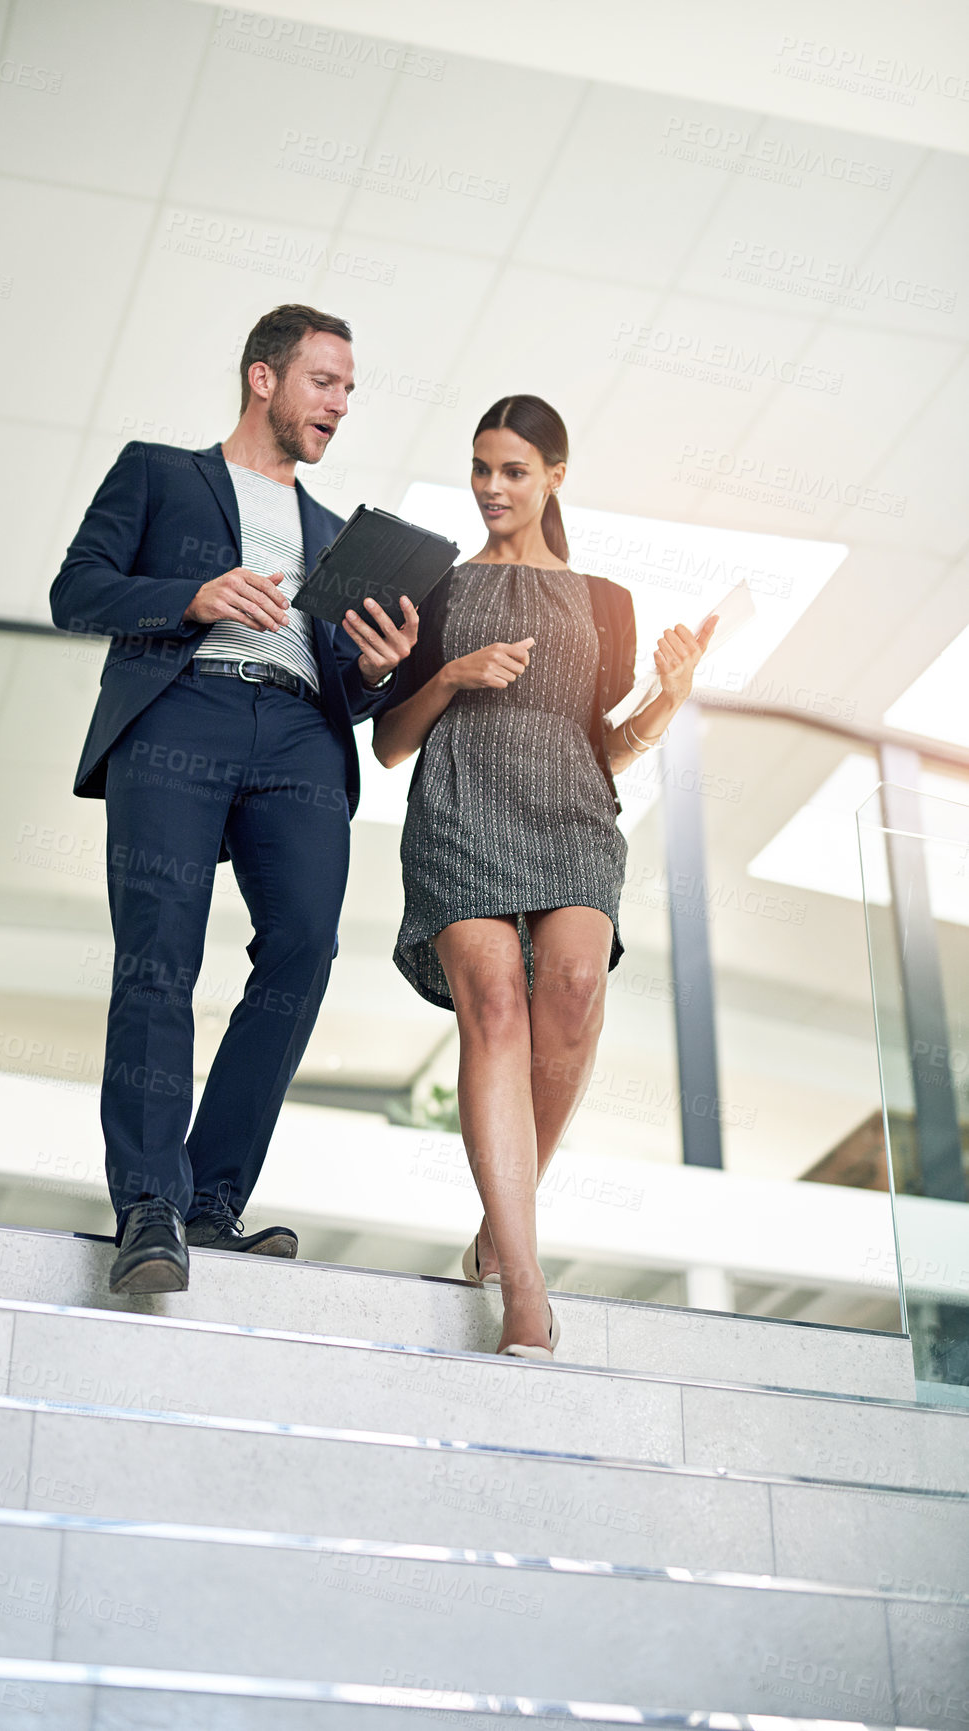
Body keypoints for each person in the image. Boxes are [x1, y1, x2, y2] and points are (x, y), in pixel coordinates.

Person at [51, 304, 417, 1295]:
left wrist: (378, 671)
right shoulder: (160, 473)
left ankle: (212, 1200)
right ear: (264, 377)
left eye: (348, 389)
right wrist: (193, 597)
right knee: (159, 960)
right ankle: (150, 1208)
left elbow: (349, 682)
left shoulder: (341, 535)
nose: (340, 405)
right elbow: (75, 591)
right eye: (324, 382)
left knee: (303, 951)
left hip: (300, 735)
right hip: (182, 713)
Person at [373, 395, 714, 1360]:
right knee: (495, 1006)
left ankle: (497, 1223)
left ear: (554, 476)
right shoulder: (433, 585)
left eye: (512, 471)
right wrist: (450, 677)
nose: (490, 487)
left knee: (571, 990)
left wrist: (668, 699)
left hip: (570, 814)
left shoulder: (606, 600)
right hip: (459, 808)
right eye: (480, 468)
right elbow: (391, 746)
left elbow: (603, 748)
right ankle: (523, 1282)